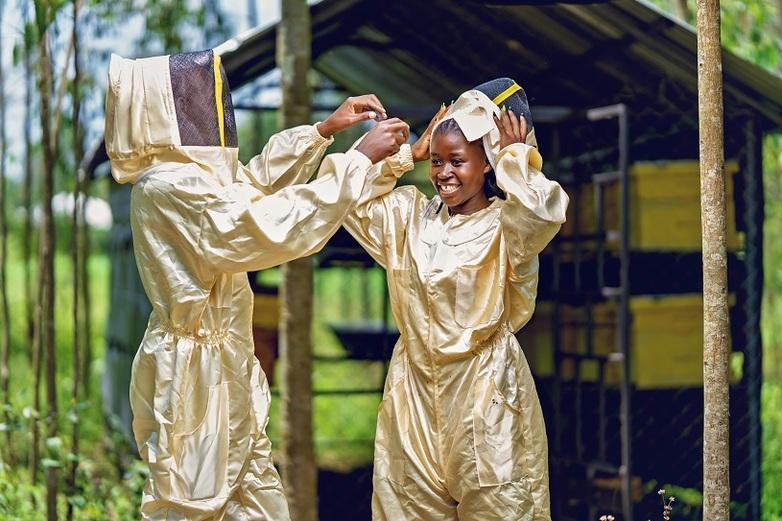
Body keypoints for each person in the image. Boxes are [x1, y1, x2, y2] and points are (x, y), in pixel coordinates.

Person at [104, 49, 408, 520]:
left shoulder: (194, 180)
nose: (209, 109)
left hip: (227, 361)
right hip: (194, 377)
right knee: (193, 502)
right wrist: (356, 161)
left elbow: (250, 187)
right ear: (164, 111)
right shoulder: (166, 186)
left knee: (254, 494)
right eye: (193, 99)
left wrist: (322, 132)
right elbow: (263, 224)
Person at [344, 78, 569, 520]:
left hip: (485, 397)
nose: (444, 173)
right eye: (438, 161)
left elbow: (544, 211)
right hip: (412, 398)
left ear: (486, 164)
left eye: (458, 161)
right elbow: (344, 198)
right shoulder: (409, 218)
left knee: (503, 507)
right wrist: (407, 155)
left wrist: (515, 158)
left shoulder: (507, 226)